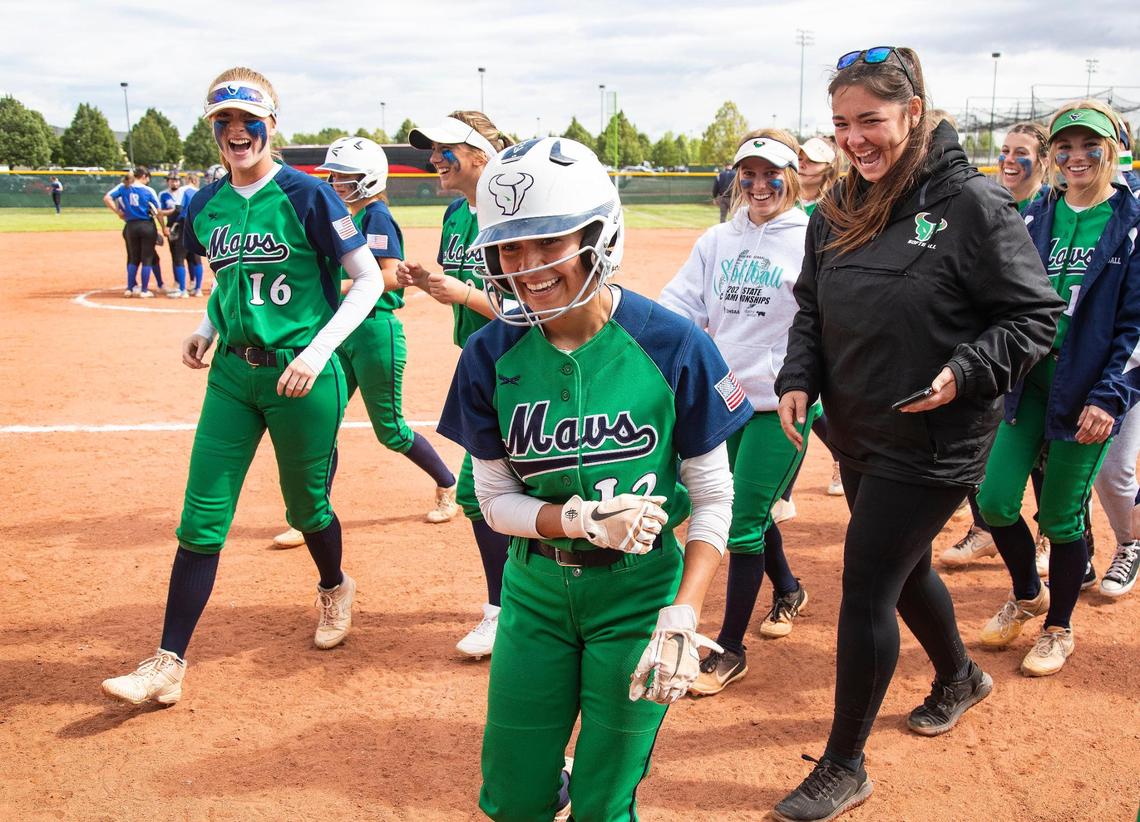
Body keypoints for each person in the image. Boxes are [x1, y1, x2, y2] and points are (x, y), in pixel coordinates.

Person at [772, 47, 1063, 821]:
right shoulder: (838, 204)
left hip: (936, 438)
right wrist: (799, 376)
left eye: (869, 120)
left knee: (868, 582)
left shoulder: (972, 203)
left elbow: (1034, 317)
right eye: (841, 124)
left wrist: (965, 371)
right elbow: (812, 306)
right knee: (902, 571)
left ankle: (843, 766)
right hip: (857, 427)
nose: (853, 139)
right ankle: (960, 676)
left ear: (912, 112)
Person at [438, 135, 749, 821]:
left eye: (549, 242)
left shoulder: (672, 344)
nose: (527, 268)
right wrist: (576, 519)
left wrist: (684, 611)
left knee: (605, 802)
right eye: (509, 249)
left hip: (639, 597)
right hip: (535, 594)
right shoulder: (488, 354)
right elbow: (493, 501)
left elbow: (713, 497)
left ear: (598, 236)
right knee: (514, 798)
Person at [101, 66, 384, 706]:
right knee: (201, 515)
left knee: (306, 509)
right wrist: (206, 325)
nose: (236, 131)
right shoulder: (205, 204)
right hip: (232, 375)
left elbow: (367, 280)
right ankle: (168, 662)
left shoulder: (309, 195)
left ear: (270, 124)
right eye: (223, 120)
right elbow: (232, 281)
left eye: (247, 119)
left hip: (300, 374)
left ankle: (334, 585)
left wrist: (316, 352)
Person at [976, 100, 1140, 673]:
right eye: (1064, 147)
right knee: (995, 501)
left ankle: (1058, 628)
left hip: (1089, 390)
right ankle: (1029, 593)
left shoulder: (1131, 223)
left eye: (1088, 146)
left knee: (1060, 518)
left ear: (1111, 151)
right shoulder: (1036, 217)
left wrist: (1110, 397)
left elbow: (1136, 326)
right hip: (1029, 381)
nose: (1075, 157)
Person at [658, 128, 814, 698]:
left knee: (742, 521)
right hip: (722, 399)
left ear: (791, 177)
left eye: (771, 174)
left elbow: (825, 320)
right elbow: (681, 304)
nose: (758, 184)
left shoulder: (811, 238)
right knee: (743, 510)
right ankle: (788, 588)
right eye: (748, 174)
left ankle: (730, 649)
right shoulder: (717, 239)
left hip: (780, 404)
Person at [270, 137, 458, 548]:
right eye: (334, 175)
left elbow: (390, 276)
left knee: (390, 431)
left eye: (346, 176)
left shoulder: (377, 217)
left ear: (369, 178)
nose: (336, 182)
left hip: (374, 332)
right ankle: (310, 516)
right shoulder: (345, 216)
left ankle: (447, 483)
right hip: (341, 329)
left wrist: (329, 287)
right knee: (322, 424)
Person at [396, 112, 513, 658]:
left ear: (481, 155)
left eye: (446, 149)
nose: (434, 159)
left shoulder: (512, 211)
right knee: (493, 492)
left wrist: (464, 294)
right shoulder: (455, 213)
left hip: (523, 362)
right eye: (433, 150)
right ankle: (513, 607)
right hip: (481, 362)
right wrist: (429, 283)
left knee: (482, 491)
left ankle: (506, 611)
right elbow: (463, 284)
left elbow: (535, 304)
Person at [943, 121, 1054, 568]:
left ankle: (1048, 535)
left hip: (1037, 351)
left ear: (1043, 160)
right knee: (982, 442)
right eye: (1005, 150)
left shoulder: (1051, 210)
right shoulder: (989, 202)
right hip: (993, 347)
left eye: (1021, 152)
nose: (1009, 159)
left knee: (1045, 456)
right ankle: (983, 529)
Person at [103, 166, 161, 298]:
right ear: (144, 176)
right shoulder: (148, 190)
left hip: (130, 226)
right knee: (147, 258)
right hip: (146, 225)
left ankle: (129, 288)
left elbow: (107, 198)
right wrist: (163, 227)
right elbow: (158, 211)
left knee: (133, 258)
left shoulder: (124, 187)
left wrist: (118, 212)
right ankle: (144, 290)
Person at [157, 173, 190, 298]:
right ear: (168, 181)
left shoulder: (184, 192)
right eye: (172, 180)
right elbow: (159, 212)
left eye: (176, 180)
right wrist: (163, 227)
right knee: (175, 255)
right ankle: (177, 282)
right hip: (172, 228)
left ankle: (191, 284)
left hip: (184, 226)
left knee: (190, 256)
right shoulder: (163, 194)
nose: (174, 183)